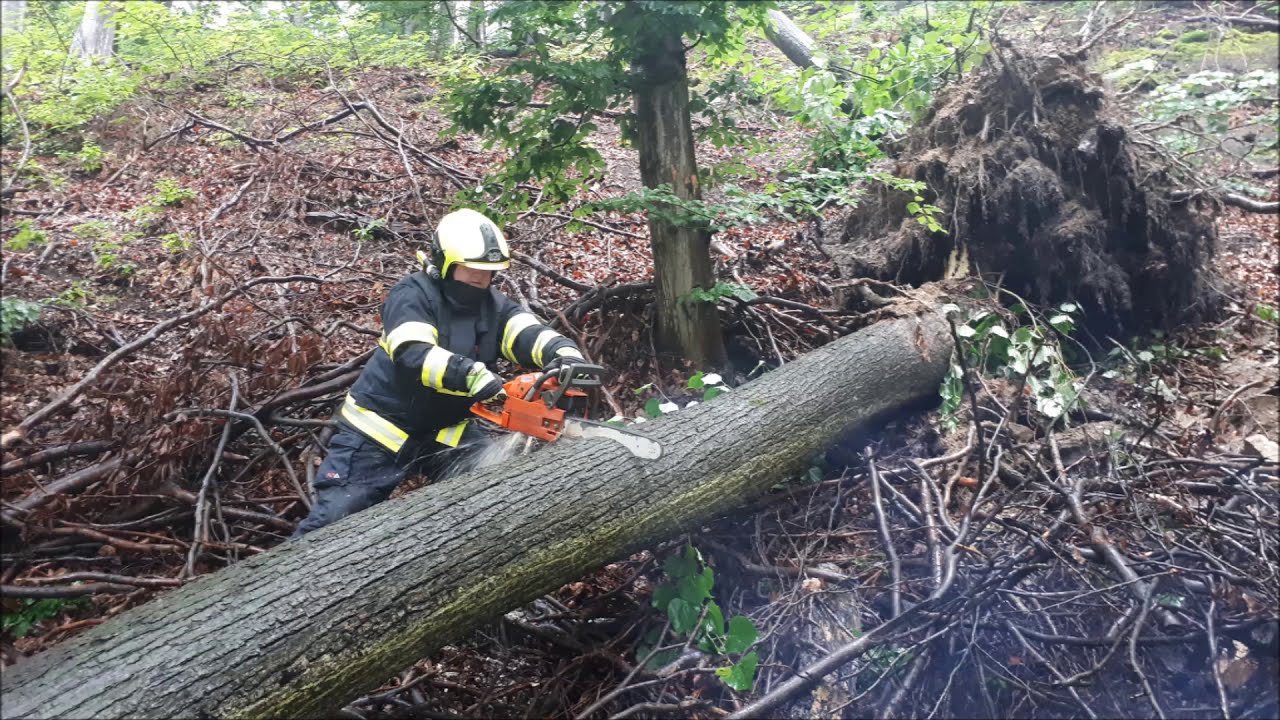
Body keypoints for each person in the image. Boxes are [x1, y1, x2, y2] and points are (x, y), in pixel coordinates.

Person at [292, 208, 585, 537]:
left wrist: (564, 354)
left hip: (446, 432)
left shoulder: (492, 306)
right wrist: (473, 375)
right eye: (471, 269)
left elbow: (527, 332)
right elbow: (413, 354)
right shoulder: (412, 297)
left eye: (487, 272)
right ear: (445, 263)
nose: (479, 279)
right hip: (380, 430)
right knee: (335, 523)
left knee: (494, 503)